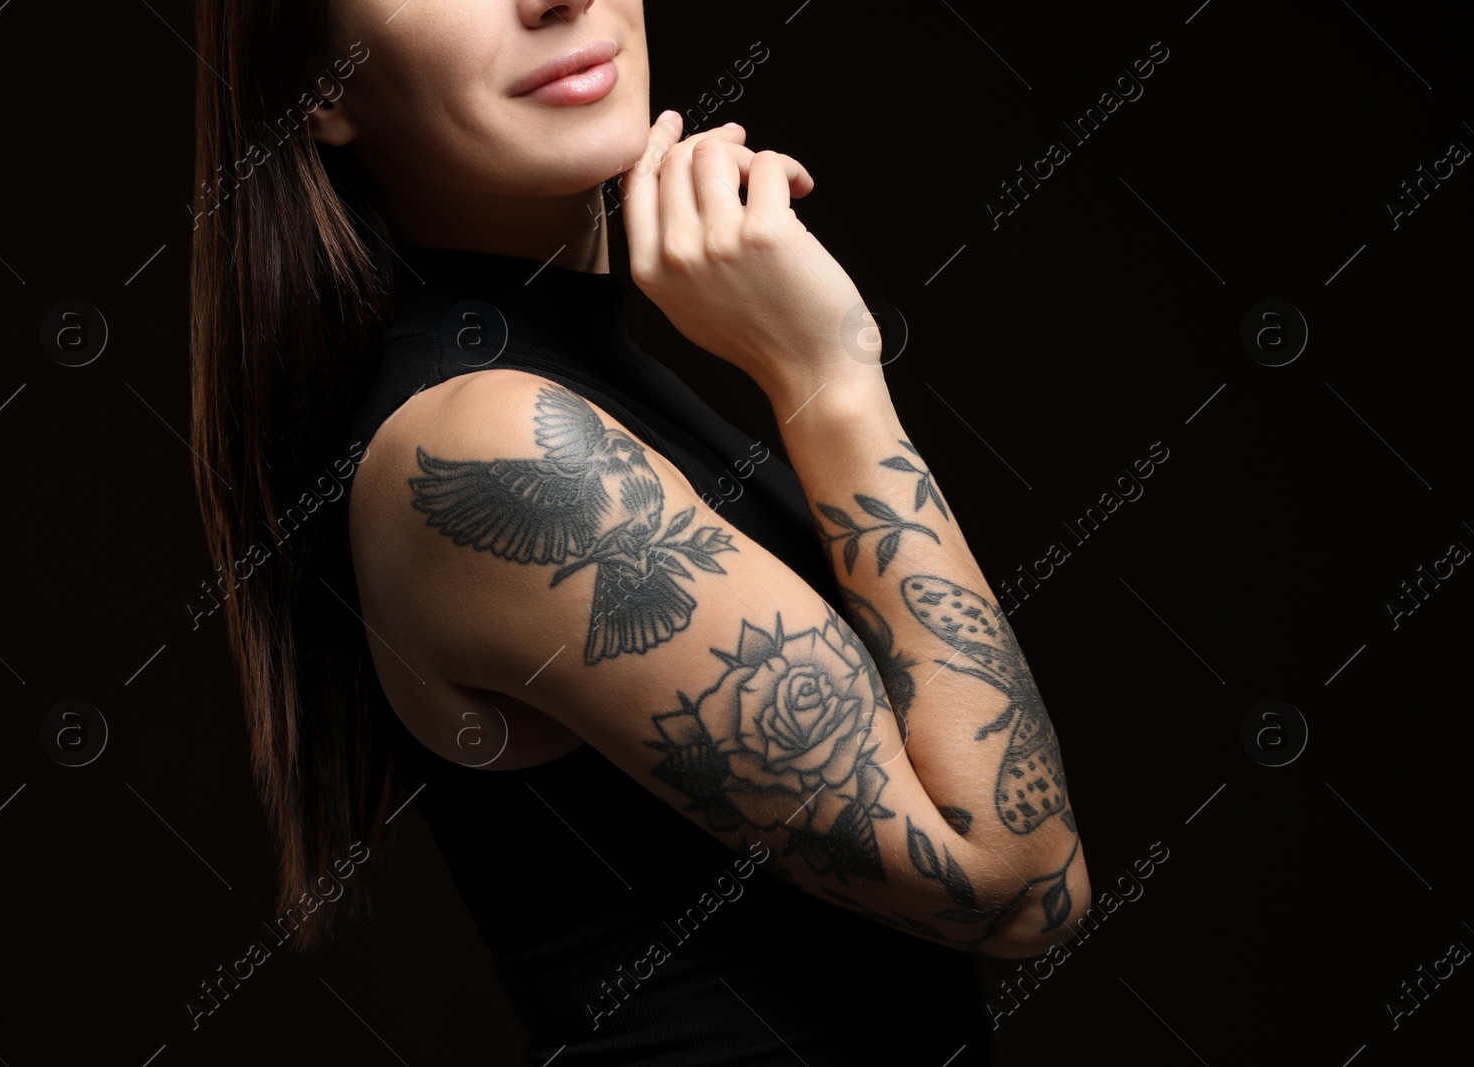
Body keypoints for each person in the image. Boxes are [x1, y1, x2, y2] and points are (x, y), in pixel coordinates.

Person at [188, 0, 1091, 1062]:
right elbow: (1019, 883)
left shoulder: (563, 373)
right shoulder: (489, 438)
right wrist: (830, 378)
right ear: (323, 88)